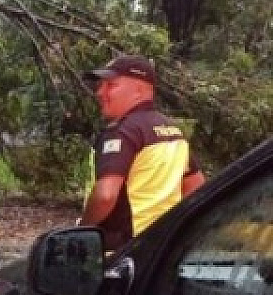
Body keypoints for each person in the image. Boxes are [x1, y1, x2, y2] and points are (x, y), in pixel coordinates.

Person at [80, 54, 205, 251]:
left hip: (122, 252)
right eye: (100, 85)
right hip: (161, 249)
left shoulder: (122, 131)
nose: (100, 92)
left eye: (110, 85)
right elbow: (195, 186)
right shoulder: (173, 131)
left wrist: (81, 231)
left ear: (138, 91)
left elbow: (105, 196)